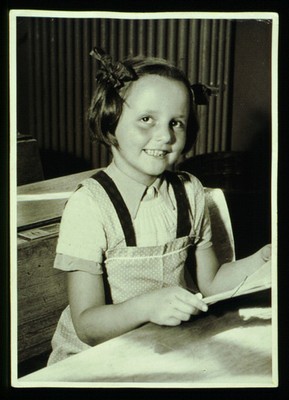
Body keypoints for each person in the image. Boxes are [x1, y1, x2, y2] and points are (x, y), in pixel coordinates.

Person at [48, 48, 271, 365]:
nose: (164, 135)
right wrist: (146, 307)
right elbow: (87, 326)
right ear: (110, 122)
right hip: (95, 358)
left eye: (176, 122)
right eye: (146, 119)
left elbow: (210, 284)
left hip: (164, 345)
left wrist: (260, 260)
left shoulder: (190, 192)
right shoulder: (90, 205)